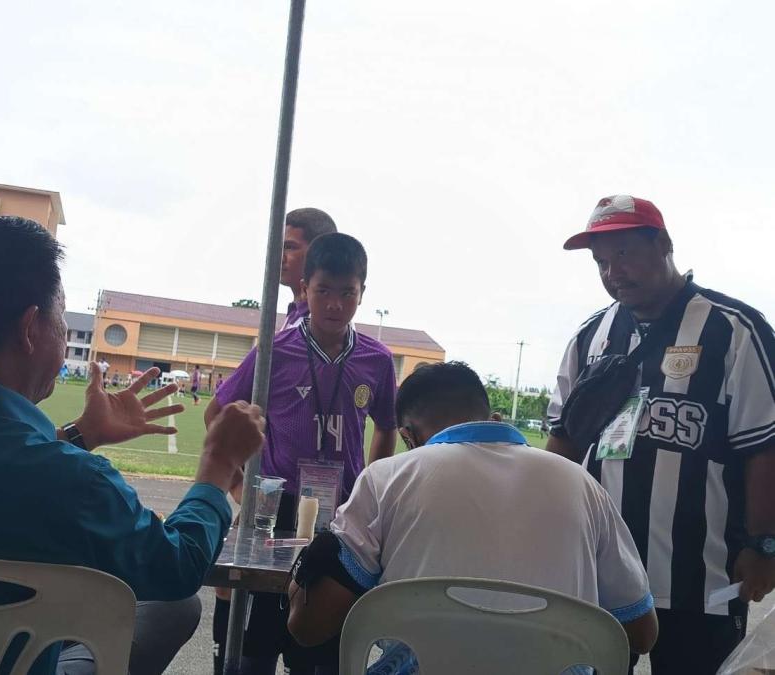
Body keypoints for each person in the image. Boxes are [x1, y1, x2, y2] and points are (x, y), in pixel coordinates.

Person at [0, 215, 266, 675]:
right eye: (61, 317)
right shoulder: (72, 481)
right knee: (174, 607)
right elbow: (177, 568)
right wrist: (219, 463)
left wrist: (82, 435)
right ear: (29, 329)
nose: (63, 330)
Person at [288, 361, 658, 671]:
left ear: (407, 436)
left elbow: (309, 627)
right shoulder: (584, 485)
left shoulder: (385, 478)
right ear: (494, 418)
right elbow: (642, 633)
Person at [546, 195, 775, 675]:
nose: (613, 272)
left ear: (664, 244)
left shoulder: (733, 329)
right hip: (599, 574)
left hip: (701, 577)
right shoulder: (590, 337)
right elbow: (562, 443)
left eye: (624, 253)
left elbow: (765, 448)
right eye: (601, 262)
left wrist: (764, 546)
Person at [207, 233, 398, 675]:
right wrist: (238, 485)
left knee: (321, 647)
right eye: (323, 290)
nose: (334, 304)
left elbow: (387, 427)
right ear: (304, 288)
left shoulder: (377, 360)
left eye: (347, 293)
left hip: (344, 514)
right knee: (256, 644)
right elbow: (218, 412)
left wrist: (370, 492)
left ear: (362, 293)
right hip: (277, 508)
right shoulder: (275, 352)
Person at [281, 208, 337, 330]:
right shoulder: (296, 313)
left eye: (289, 247)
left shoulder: (325, 322)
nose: (280, 257)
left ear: (320, 253)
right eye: (278, 247)